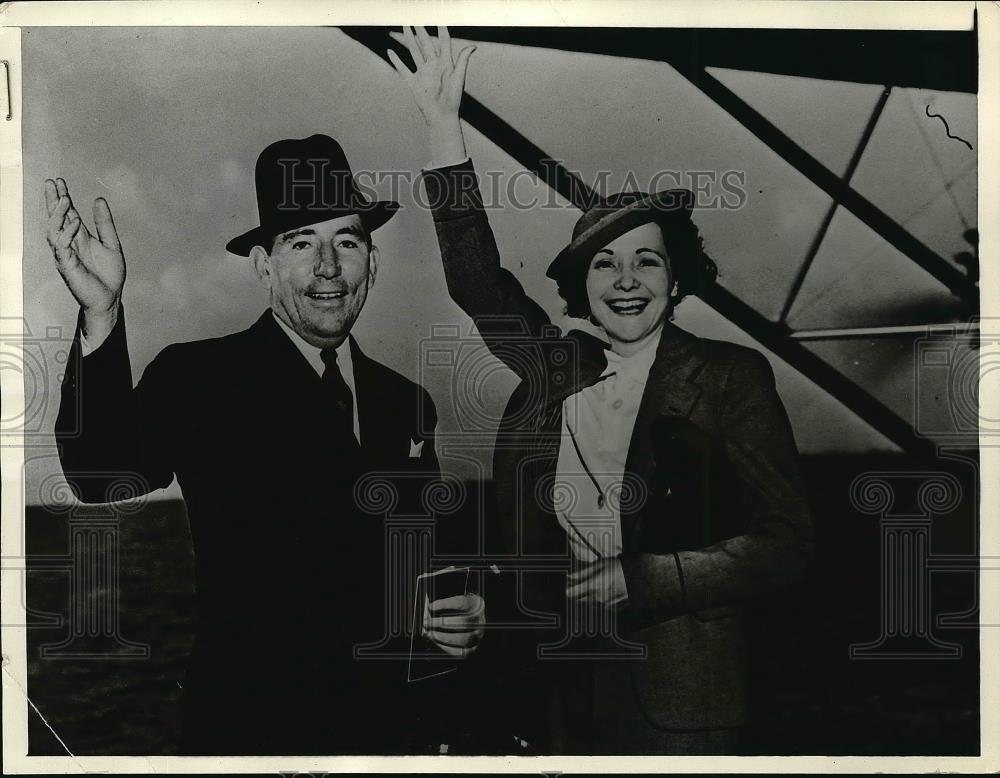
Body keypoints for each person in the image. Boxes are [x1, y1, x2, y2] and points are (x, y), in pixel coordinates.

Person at [390, 26, 813, 754]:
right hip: (559, 694)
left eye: (646, 262)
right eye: (604, 265)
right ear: (581, 289)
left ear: (676, 281)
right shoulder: (555, 368)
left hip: (685, 704)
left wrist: (645, 581)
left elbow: (786, 546)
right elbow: (475, 280)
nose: (625, 281)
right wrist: (441, 126)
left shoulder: (729, 377)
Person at [45, 134, 485, 755]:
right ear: (262, 266)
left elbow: (423, 567)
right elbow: (97, 474)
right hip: (252, 737)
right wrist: (102, 313)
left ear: (373, 263)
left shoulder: (408, 403)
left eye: (348, 242)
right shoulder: (198, 378)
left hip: (390, 737)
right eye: (301, 243)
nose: (328, 267)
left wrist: (461, 617)